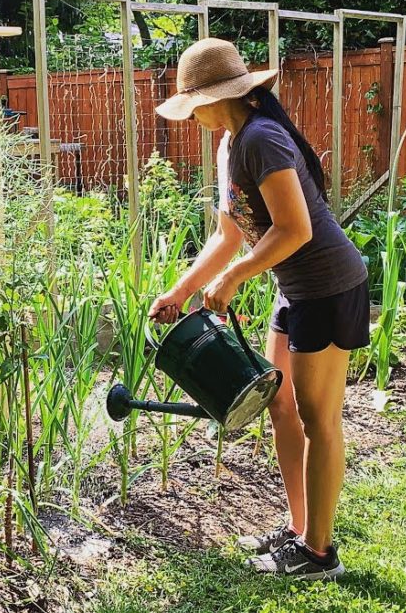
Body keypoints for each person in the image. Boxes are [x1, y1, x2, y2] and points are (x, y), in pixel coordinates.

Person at [149, 38, 369, 581]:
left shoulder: (262, 139)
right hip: (293, 290)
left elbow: (297, 229)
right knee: (282, 407)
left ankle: (319, 553)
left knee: (320, 419)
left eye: (188, 105)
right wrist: (181, 290)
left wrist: (235, 279)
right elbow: (229, 236)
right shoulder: (231, 144)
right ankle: (300, 530)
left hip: (329, 287)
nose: (188, 116)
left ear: (211, 97)